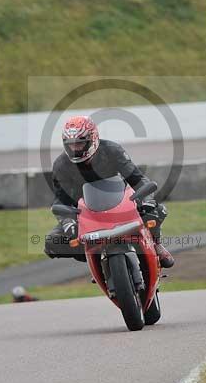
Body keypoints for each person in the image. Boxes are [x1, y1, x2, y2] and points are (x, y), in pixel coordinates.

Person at [44, 115, 175, 269]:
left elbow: (138, 180)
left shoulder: (112, 150)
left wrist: (146, 199)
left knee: (157, 210)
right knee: (52, 242)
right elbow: (60, 200)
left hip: (122, 206)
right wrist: (67, 221)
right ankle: (96, 257)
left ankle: (155, 244)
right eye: (71, 145)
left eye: (79, 144)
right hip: (86, 215)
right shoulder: (61, 165)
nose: (75, 149)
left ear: (92, 138)